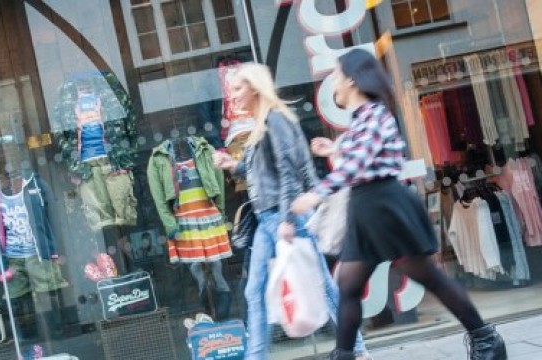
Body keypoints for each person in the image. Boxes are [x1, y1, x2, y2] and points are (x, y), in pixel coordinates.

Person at [291, 49, 507, 360]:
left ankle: (486, 340)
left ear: (351, 79)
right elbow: (359, 164)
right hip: (368, 209)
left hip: (385, 207)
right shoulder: (364, 119)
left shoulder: (376, 115)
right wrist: (335, 151)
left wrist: (317, 193)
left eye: (336, 75)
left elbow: (359, 165)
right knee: (349, 287)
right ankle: (344, 355)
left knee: (428, 277)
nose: (333, 83)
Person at [213, 63, 371, 360]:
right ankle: (255, 356)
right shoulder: (261, 124)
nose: (231, 96)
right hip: (266, 220)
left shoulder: (276, 121)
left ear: (255, 88)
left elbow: (289, 175)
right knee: (254, 291)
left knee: (322, 286)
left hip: (283, 216)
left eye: (237, 89)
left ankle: (358, 350)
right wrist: (233, 166)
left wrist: (287, 220)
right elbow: (263, 172)